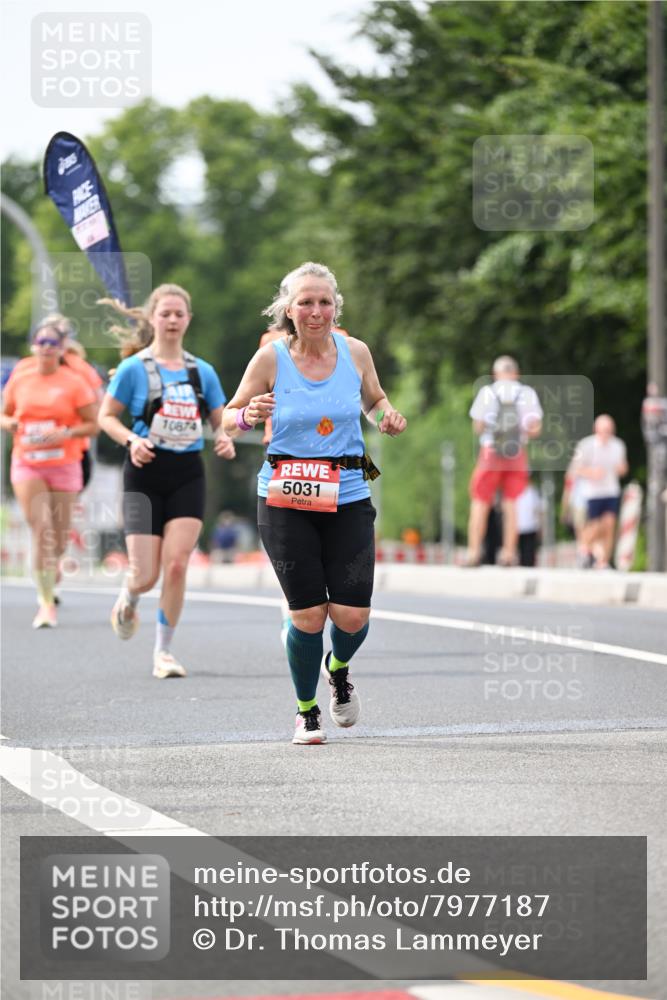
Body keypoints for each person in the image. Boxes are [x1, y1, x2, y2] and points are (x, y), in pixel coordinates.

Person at [223, 261, 407, 745]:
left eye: (324, 301)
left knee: (352, 616)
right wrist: (246, 415)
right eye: (305, 301)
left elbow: (374, 400)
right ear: (288, 308)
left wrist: (386, 415)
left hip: (347, 493)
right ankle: (306, 712)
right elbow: (227, 418)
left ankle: (338, 668)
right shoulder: (270, 359)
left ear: (335, 307)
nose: (316, 310)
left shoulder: (356, 352)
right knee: (307, 615)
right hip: (285, 496)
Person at [97, 283, 236, 678]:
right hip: (143, 472)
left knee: (176, 566)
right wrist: (131, 439)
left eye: (179, 314)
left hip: (187, 473)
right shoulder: (133, 369)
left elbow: (219, 419)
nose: (172, 320)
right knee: (145, 575)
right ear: (153, 318)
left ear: (188, 319)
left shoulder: (201, 371)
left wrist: (224, 438)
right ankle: (129, 594)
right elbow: (106, 417)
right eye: (165, 313)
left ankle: (163, 652)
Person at [258, 322, 351, 647]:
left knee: (331, 549)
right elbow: (254, 395)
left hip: (333, 459)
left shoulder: (344, 342)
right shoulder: (271, 345)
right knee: (295, 549)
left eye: (321, 302)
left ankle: (324, 613)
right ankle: (294, 609)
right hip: (287, 460)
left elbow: (358, 391)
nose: (313, 313)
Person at [0, 320, 98, 627]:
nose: (45, 348)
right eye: (40, 342)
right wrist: (10, 424)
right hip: (27, 461)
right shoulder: (21, 375)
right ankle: (45, 604)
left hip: (65, 462)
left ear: (61, 349)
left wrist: (65, 433)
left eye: (51, 343)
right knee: (41, 529)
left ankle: (51, 566)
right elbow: (4, 413)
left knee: (57, 536)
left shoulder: (75, 379)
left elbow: (93, 425)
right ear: (32, 345)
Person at [466, 356, 542, 566]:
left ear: (495, 374)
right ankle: (508, 554)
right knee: (511, 503)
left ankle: (473, 552)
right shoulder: (527, 393)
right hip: (516, 453)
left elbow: (478, 426)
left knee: (480, 501)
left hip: (491, 452)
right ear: (516, 373)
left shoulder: (487, 392)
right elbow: (535, 428)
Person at [569, 415, 628, 569]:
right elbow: (575, 469)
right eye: (604, 430)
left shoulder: (618, 446)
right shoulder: (587, 445)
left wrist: (621, 469)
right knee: (595, 525)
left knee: (609, 524)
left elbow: (623, 468)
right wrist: (592, 473)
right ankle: (584, 548)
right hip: (592, 492)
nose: (606, 434)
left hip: (610, 490)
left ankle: (603, 561)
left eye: (609, 431)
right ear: (597, 430)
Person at [515, 480, 543, 567]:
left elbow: (539, 510)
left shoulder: (533, 491)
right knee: (520, 553)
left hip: (531, 527)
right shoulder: (514, 490)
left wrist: (540, 526)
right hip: (518, 528)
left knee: (530, 553)